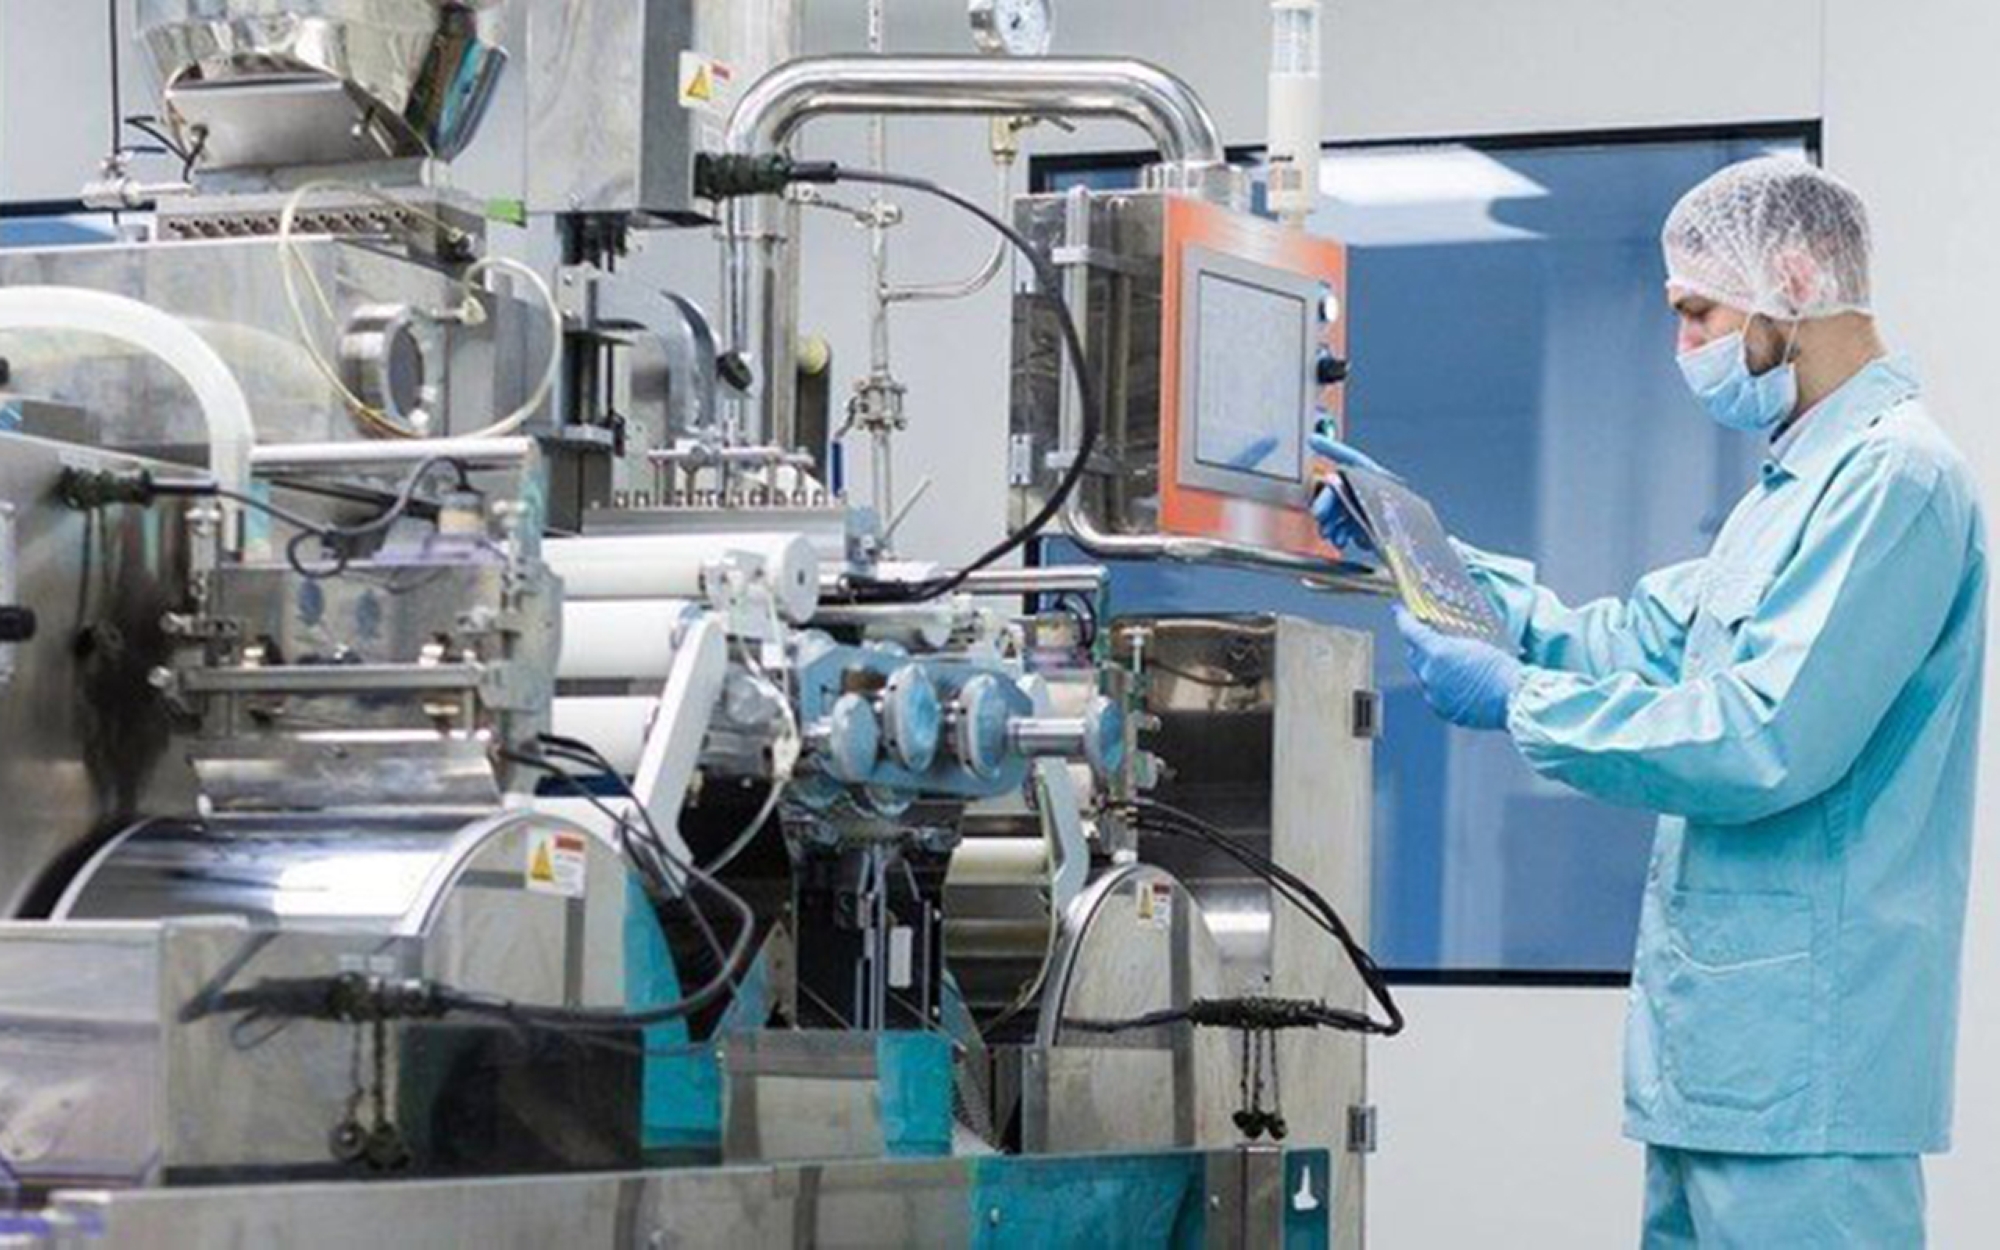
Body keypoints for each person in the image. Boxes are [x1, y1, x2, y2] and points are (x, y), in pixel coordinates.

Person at [1313, 157, 1985, 1248]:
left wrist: (1522, 702)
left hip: (1808, 1069)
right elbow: (1622, 637)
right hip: (1723, 1063)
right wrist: (1420, 548)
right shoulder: (1788, 491)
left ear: (1794, 276)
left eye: (1695, 312)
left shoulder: (1893, 480)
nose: (1685, 349)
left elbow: (1764, 734)